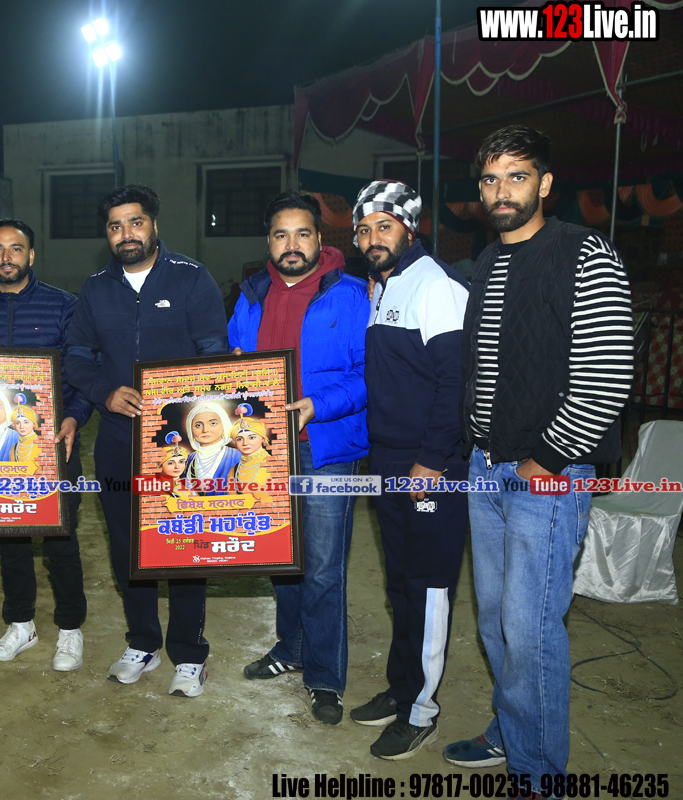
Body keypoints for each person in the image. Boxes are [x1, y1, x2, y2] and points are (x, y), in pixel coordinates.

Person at [443, 126, 633, 784]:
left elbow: (606, 375)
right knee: (497, 623)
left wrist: (544, 460)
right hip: (485, 469)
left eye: (517, 177)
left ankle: (538, 774)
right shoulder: (485, 263)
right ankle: (511, 730)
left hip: (547, 475)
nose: (502, 192)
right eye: (490, 180)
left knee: (530, 630)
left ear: (545, 184)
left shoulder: (584, 253)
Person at [65, 185, 228, 698]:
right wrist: (104, 393)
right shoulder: (95, 289)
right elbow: (76, 355)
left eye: (135, 222)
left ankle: (189, 654)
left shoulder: (191, 277)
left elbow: (213, 352)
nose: (126, 234)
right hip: (117, 441)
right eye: (115, 226)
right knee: (126, 543)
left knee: (183, 539)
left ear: (154, 225)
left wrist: (181, 405)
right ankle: (142, 642)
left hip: (180, 445)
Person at [228, 191, 369, 724]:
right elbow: (232, 365)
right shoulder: (250, 296)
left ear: (319, 238)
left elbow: (370, 374)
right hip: (265, 452)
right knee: (281, 558)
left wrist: (318, 405)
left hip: (326, 448)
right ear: (269, 241)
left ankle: (325, 678)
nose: (292, 244)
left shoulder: (352, 295)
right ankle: (290, 648)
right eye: (281, 234)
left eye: (302, 233)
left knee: (324, 568)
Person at [346, 180, 470, 760]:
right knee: (400, 584)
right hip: (389, 459)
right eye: (363, 229)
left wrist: (433, 459)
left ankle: (422, 711)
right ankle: (402, 690)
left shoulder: (435, 284)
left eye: (384, 226)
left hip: (429, 465)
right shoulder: (385, 286)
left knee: (428, 587)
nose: (372, 238)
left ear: (409, 228)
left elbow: (456, 381)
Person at [0, 218, 92, 671]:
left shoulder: (64, 306)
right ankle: (20, 624)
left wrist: (74, 418)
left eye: (16, 248)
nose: (7, 257)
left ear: (31, 255)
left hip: (53, 444)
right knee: (10, 536)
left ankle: (70, 629)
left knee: (61, 538)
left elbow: (82, 371)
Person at [182, 401, 240, 495]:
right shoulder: (187, 461)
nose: (205, 430)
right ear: (191, 429)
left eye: (213, 423)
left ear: (224, 425)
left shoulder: (237, 456)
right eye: (198, 425)